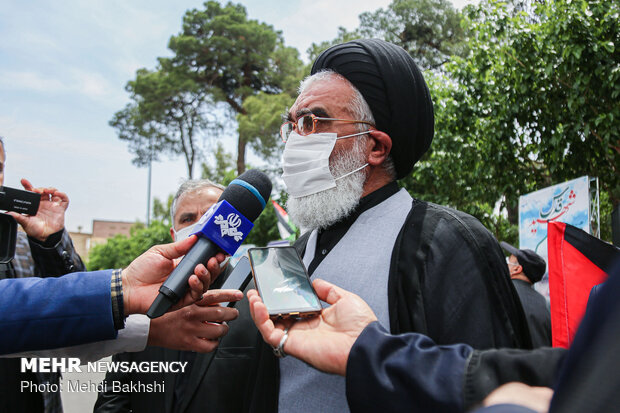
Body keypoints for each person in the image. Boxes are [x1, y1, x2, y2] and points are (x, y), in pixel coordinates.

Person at [242, 38, 530, 412]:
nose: (296, 138)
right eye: (292, 124)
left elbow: (493, 390)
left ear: (375, 147)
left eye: (312, 121)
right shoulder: (292, 254)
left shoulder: (446, 241)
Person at [95, 179, 256, 413]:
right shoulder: (146, 302)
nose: (201, 226)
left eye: (212, 215)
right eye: (188, 219)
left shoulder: (255, 301)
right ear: (174, 233)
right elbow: (113, 400)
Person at [501, 241, 551, 347]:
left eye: (508, 260)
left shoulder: (500, 294)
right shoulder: (546, 306)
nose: (505, 263)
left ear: (516, 269)